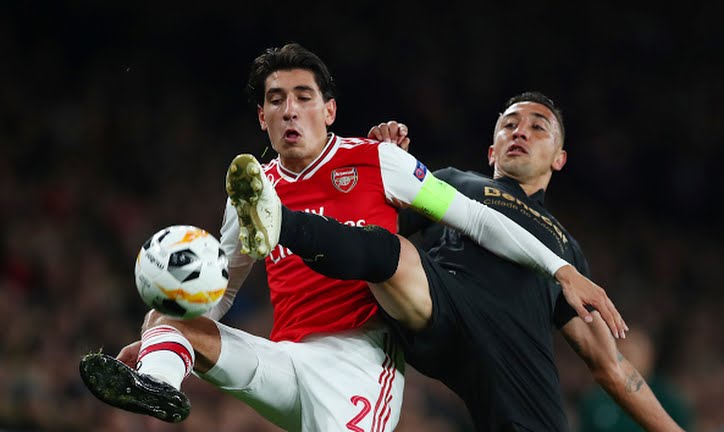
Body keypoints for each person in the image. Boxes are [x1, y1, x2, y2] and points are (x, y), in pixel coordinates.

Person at [79, 43, 621, 431]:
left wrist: (560, 268)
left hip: (357, 361)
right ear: (262, 117)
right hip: (283, 357)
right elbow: (220, 293)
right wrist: (163, 344)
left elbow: (476, 218)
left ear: (329, 110)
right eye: (276, 99)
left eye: (303, 96)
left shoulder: (378, 161)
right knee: (170, 313)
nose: (290, 109)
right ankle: (156, 383)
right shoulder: (250, 188)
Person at [230, 91, 683, 431]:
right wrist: (380, 161)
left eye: (538, 127)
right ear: (492, 151)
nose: (520, 131)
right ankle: (280, 221)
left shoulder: (564, 246)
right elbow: (365, 218)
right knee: (387, 248)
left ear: (559, 159)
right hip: (444, 306)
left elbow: (610, 366)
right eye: (509, 125)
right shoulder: (457, 185)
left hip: (514, 359)